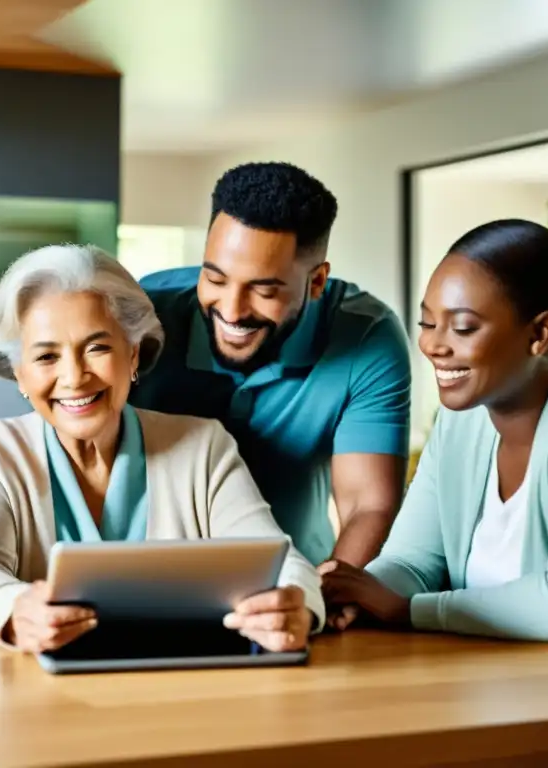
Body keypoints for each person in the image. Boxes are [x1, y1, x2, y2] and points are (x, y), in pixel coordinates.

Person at [0, 244, 325, 654]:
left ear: (134, 353)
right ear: (20, 373)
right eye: (46, 356)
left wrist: (295, 606)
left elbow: (281, 561)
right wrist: (14, 610)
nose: (73, 377)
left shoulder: (203, 446)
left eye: (97, 348)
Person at [321, 219, 548, 648]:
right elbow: (412, 562)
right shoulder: (461, 422)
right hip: (481, 687)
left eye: (462, 327)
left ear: (542, 333)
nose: (432, 345)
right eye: (427, 324)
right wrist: (349, 593)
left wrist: (405, 609)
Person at [130, 162, 411, 568]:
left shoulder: (367, 337)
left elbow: (367, 505)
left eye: (263, 290)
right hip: (143, 577)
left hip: (290, 579)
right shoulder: (144, 313)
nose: (231, 310)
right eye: (215, 279)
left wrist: (322, 598)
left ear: (316, 282)